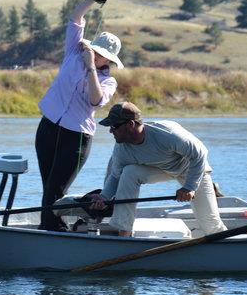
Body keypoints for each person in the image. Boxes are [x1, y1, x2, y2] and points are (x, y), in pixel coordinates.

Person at [36, 0, 123, 231]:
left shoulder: (108, 81)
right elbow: (76, 16)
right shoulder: (74, 51)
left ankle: (51, 232)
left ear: (109, 61)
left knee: (56, 189)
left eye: (102, 56)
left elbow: (96, 101)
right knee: (47, 185)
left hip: (77, 137)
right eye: (96, 52)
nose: (96, 57)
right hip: (48, 127)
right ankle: (53, 229)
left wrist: (91, 70)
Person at [83, 101, 227, 237]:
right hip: (159, 169)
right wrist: (104, 197)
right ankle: (125, 235)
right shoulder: (122, 148)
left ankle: (228, 244)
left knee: (210, 223)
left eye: (114, 126)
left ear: (131, 124)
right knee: (129, 173)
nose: (110, 131)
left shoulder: (167, 135)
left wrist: (190, 187)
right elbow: (116, 176)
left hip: (190, 170)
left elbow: (200, 153)